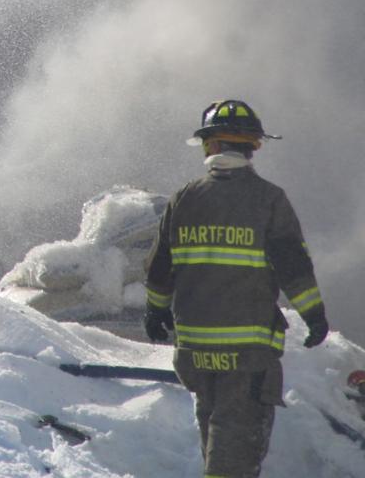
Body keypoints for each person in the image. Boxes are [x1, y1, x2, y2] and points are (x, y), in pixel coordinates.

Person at [144, 100, 329, 478]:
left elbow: (160, 267)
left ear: (209, 146)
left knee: (213, 429)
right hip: (246, 349)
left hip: (195, 348)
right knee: (235, 451)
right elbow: (293, 267)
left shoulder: (184, 198)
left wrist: (155, 310)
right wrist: (314, 316)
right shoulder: (268, 199)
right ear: (252, 147)